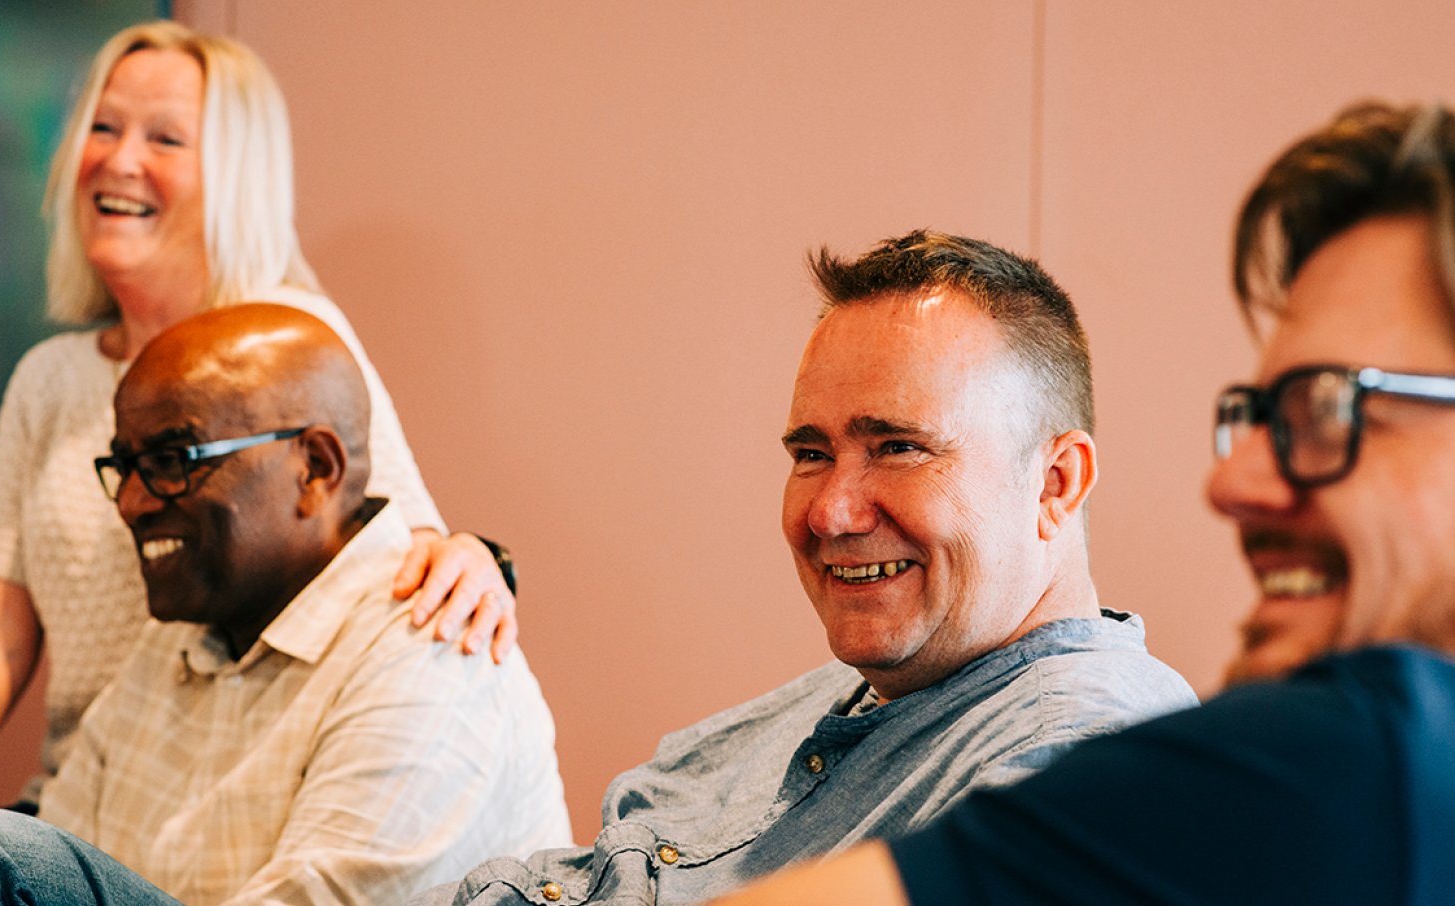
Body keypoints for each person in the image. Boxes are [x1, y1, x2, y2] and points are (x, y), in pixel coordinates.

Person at [706, 100, 1455, 906]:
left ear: (1058, 482)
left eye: (1329, 408)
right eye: (811, 455)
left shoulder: (1361, 755)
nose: (1231, 482)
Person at [0, 20, 516, 897]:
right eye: (102, 127)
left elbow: (396, 552)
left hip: (232, 819)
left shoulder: (288, 352)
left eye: (165, 138)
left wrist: (481, 558)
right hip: (89, 800)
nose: (121, 161)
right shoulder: (47, 381)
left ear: (235, 176)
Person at [404, 230, 1193, 904]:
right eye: (812, 454)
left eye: (898, 447)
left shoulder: (1089, 751)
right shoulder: (884, 682)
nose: (830, 513)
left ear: (1055, 483)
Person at [0, 304, 572, 906]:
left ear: (315, 469)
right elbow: (73, 850)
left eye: (174, 462)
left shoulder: (434, 651)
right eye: (126, 467)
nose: (133, 504)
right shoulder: (177, 643)